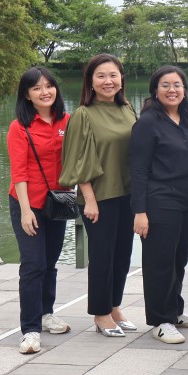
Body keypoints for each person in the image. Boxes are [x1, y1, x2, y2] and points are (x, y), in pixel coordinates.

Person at [60, 54, 138, 337]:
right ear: (90, 82)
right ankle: (101, 313)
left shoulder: (128, 109)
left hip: (128, 195)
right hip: (100, 197)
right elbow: (78, 159)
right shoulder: (84, 114)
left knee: (122, 256)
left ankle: (115, 307)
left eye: (113, 75)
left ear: (121, 79)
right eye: (101, 76)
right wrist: (89, 199)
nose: (108, 81)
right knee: (103, 257)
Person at [130, 66, 188, 345]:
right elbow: (138, 170)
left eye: (177, 85)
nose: (172, 90)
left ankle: (175, 311)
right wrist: (139, 211)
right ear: (155, 90)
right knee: (159, 262)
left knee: (178, 259)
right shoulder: (147, 123)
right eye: (165, 85)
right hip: (160, 200)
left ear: (184, 89)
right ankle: (160, 321)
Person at [6, 67, 72, 354]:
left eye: (49, 86)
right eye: (36, 88)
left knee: (49, 262)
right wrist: (25, 210)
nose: (44, 92)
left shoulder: (67, 121)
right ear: (27, 95)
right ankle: (30, 330)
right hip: (28, 202)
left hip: (59, 201)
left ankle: (46, 313)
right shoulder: (19, 127)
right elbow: (19, 172)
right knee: (33, 265)